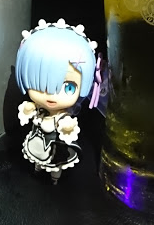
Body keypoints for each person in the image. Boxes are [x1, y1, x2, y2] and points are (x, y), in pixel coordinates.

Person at [15, 18, 99, 184]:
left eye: (69, 87)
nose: (52, 95)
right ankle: (37, 170)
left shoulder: (62, 116)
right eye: (40, 84)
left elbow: (68, 127)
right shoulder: (38, 109)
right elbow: (28, 112)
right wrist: (28, 109)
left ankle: (54, 180)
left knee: (56, 166)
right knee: (37, 161)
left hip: (56, 149)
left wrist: (67, 127)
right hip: (37, 144)